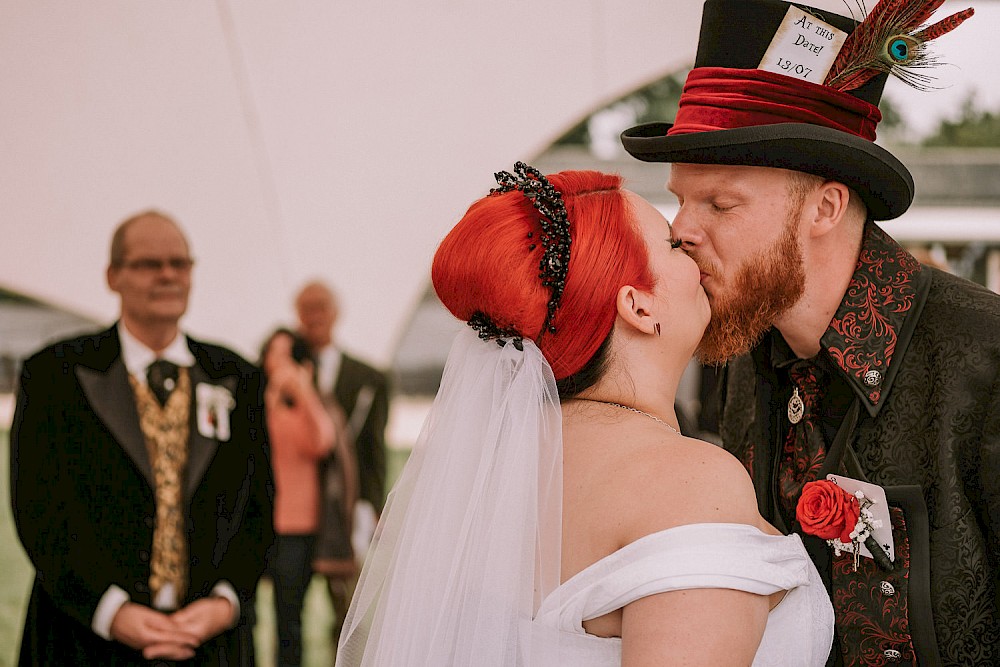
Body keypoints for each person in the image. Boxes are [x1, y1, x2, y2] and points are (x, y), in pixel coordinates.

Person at [336, 163, 834, 665]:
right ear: (639, 308)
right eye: (671, 245)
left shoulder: (492, 479)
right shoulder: (688, 482)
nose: (687, 236)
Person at [621, 0, 996, 664]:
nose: (681, 229)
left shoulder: (985, 362)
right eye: (680, 198)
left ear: (825, 206)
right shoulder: (745, 356)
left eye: (720, 202)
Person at [9, 210, 274, 665]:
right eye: (150, 264)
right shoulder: (54, 374)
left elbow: (259, 507)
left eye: (180, 263)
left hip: (208, 642)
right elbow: (37, 510)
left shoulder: (237, 375)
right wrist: (111, 612)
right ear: (113, 276)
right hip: (84, 638)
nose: (168, 275)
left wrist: (224, 603)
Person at [293, 280, 389, 640]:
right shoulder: (280, 372)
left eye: (321, 306)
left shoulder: (370, 378)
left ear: (336, 313)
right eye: (307, 308)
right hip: (297, 508)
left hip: (346, 507)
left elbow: (373, 448)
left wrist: (374, 505)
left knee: (347, 605)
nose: (314, 315)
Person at [259, 328, 335, 666]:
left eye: (287, 354)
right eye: (273, 353)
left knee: (290, 616)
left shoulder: (307, 404)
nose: (279, 362)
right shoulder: (260, 399)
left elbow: (322, 441)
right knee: (248, 613)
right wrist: (274, 391)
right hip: (259, 519)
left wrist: (303, 390)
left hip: (297, 524)